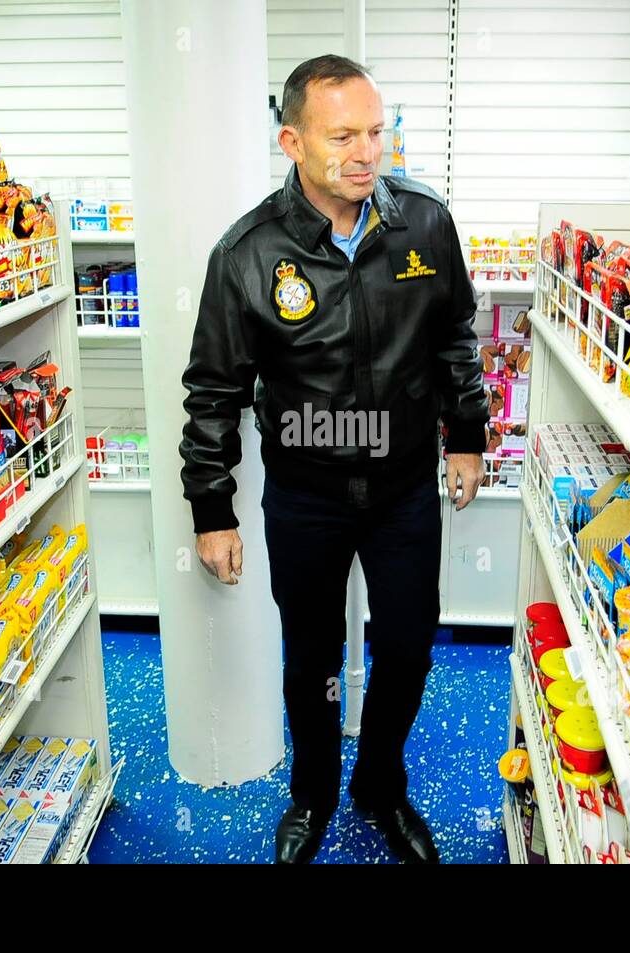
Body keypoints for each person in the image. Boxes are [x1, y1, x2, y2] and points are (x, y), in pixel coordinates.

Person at [179, 54, 488, 864]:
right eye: (342, 135)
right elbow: (214, 387)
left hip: (401, 491)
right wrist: (212, 510)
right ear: (291, 140)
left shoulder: (423, 221)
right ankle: (312, 793)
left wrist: (466, 432)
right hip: (306, 494)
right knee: (311, 657)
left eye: (377, 131)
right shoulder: (247, 252)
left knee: (410, 642)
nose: (365, 152)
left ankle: (380, 784)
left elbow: (456, 334)